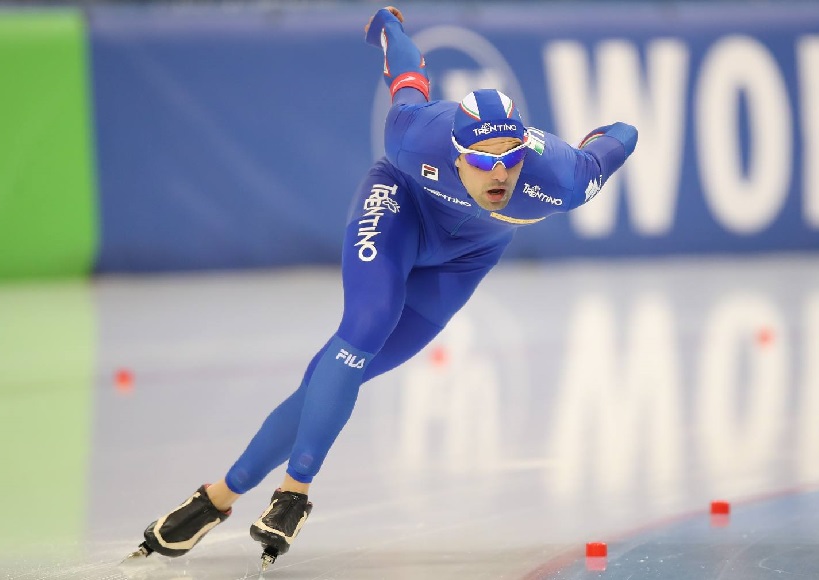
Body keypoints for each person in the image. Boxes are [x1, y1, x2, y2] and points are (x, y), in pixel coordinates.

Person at [125, 5, 638, 570]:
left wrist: (605, 133)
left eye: (511, 160)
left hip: (462, 261)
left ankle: (217, 497)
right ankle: (294, 491)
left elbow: (619, 138)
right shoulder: (415, 138)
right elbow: (409, 78)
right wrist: (387, 26)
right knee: (363, 329)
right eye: (480, 161)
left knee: (340, 372)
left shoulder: (563, 178)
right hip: (398, 212)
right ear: (454, 152)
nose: (498, 177)